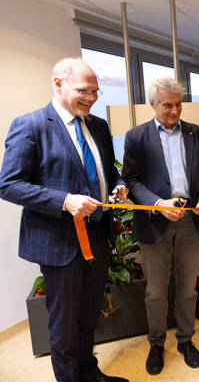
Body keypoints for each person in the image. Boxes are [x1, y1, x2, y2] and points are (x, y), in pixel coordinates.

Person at [0, 58, 128, 382]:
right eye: (84, 91)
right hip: (60, 243)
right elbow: (9, 184)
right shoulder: (30, 125)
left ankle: (89, 373)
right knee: (65, 324)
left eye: (96, 92)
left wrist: (118, 186)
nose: (92, 98)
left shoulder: (98, 126)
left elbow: (108, 172)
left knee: (88, 316)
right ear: (58, 84)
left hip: (97, 235)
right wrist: (65, 201)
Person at [122, 77, 199, 375]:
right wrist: (158, 204)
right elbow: (131, 180)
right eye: (167, 105)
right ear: (152, 104)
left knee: (187, 287)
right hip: (155, 221)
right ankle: (156, 343)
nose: (174, 111)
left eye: (178, 104)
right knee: (155, 291)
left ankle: (185, 339)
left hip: (192, 218)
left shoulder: (197, 134)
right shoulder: (136, 137)